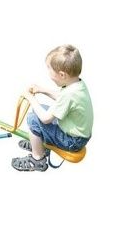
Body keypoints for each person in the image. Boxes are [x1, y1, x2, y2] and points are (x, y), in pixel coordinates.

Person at [12, 44, 93, 172]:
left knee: (33, 119)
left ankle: (37, 159)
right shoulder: (77, 84)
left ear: (62, 75)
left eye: (50, 69)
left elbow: (45, 119)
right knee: (41, 108)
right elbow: (62, 99)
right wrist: (42, 90)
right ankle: (37, 144)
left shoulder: (69, 94)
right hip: (78, 135)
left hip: (72, 141)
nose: (48, 73)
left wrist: (30, 98)